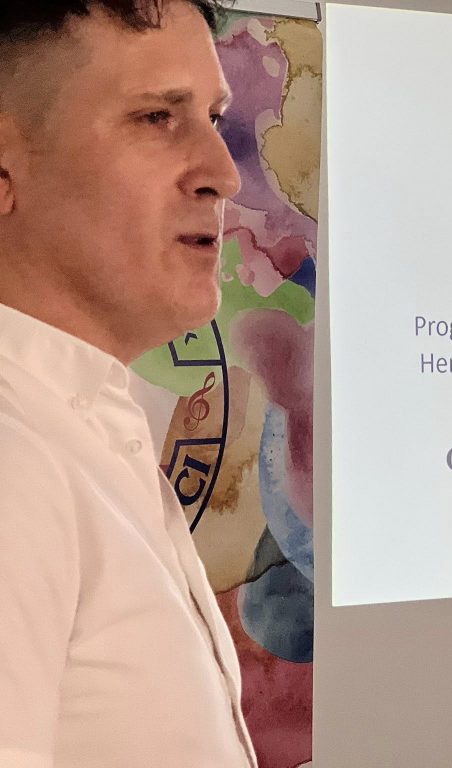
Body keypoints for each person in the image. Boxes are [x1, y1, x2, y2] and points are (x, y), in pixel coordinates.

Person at [0, 1, 256, 765]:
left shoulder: (77, 427)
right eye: (156, 117)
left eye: (213, 117)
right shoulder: (15, 465)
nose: (223, 174)